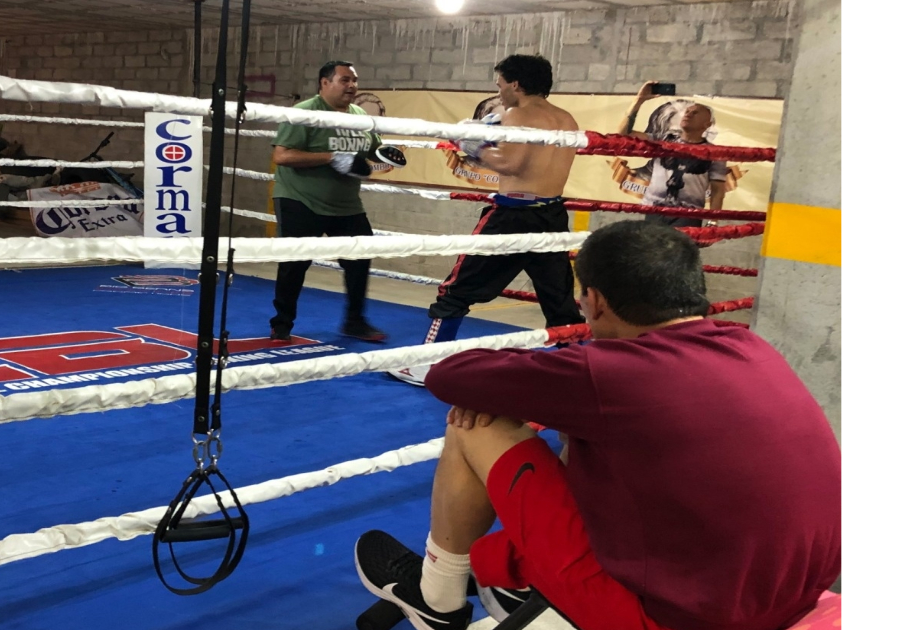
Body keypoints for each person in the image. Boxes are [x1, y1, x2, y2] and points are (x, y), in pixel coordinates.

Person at [356, 220, 841, 630]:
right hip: (791, 591)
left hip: (681, 617)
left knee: (475, 424)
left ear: (595, 301)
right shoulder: (750, 346)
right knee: (592, 434)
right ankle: (516, 576)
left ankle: (435, 601)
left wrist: (552, 381)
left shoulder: (610, 375)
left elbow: (450, 376)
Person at [389, 54, 584, 387]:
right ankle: (582, 366)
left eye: (500, 84)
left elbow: (511, 164)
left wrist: (471, 145)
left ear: (515, 84)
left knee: (457, 289)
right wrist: (488, 129)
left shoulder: (518, 113)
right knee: (559, 298)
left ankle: (425, 363)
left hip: (511, 214)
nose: (499, 91)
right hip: (551, 214)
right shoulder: (565, 118)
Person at [268, 60, 404, 344]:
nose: (352, 86)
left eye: (354, 80)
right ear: (325, 83)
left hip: (346, 205)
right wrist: (330, 157)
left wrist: (385, 153)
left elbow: (373, 149)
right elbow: (282, 156)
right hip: (300, 199)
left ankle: (354, 322)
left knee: (359, 259)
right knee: (294, 264)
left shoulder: (359, 116)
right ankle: (282, 324)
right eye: (345, 80)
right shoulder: (304, 113)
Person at [619, 81, 727, 228]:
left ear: (707, 124)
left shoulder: (714, 153)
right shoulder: (663, 139)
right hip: (654, 209)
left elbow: (717, 190)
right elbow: (622, 136)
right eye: (687, 111)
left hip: (689, 214)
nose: (688, 114)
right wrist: (639, 100)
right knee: (650, 250)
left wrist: (713, 221)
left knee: (680, 250)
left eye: (695, 113)